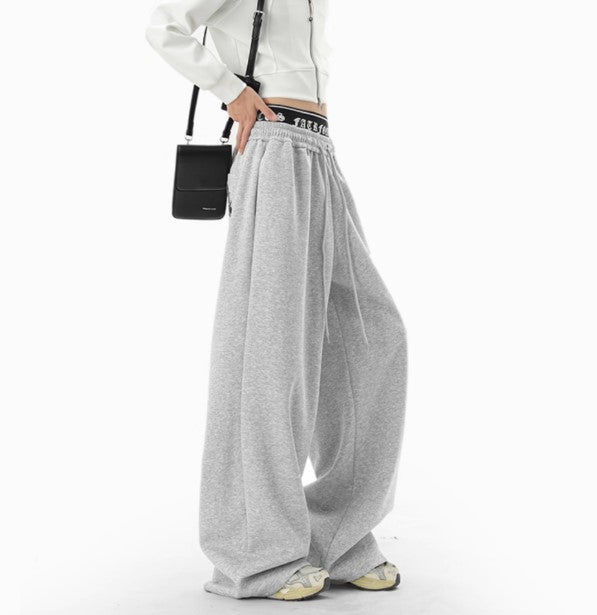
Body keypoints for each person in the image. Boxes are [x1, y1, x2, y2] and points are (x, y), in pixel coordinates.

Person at [145, 0, 408, 601]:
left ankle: (337, 536)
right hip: (271, 144)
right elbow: (165, 25)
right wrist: (230, 92)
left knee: (374, 338)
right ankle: (256, 554)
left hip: (319, 150)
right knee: (266, 351)